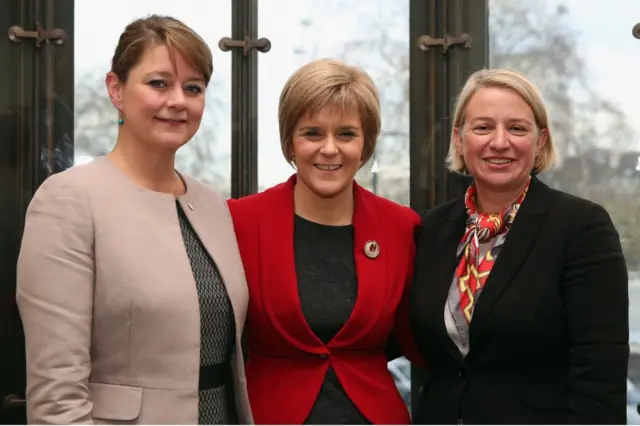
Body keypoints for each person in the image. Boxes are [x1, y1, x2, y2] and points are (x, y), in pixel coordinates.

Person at [16, 15, 252, 425]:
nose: (178, 100)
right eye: (159, 83)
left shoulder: (213, 205)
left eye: (193, 88)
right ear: (116, 89)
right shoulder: (68, 201)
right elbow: (56, 396)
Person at [410, 68, 629, 424]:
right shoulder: (435, 226)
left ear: (540, 140)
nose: (499, 142)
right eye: (482, 127)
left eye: (517, 128)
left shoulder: (581, 227)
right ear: (460, 139)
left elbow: (600, 373)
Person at [228, 58, 421, 424]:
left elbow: (417, 336)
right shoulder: (240, 222)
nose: (329, 149)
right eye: (313, 133)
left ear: (365, 145)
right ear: (290, 142)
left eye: (346, 134)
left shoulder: (401, 227)